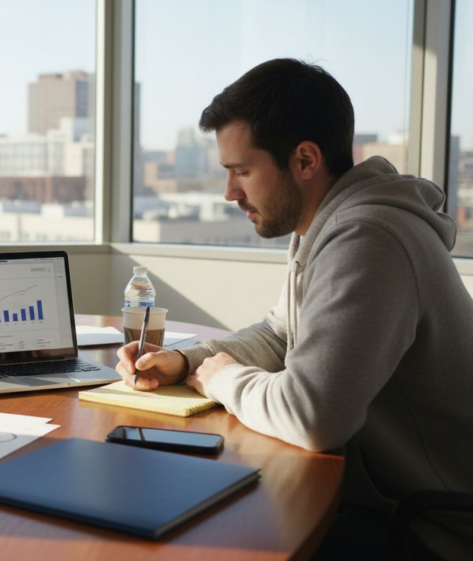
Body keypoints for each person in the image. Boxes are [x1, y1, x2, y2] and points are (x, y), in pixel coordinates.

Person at [116, 58, 473, 558]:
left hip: (432, 531)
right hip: (385, 500)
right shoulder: (328, 224)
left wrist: (221, 379)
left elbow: (312, 416)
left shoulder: (369, 239)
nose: (229, 193)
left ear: (305, 160)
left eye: (242, 171)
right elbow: (280, 334)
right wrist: (189, 361)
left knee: (217, 541)